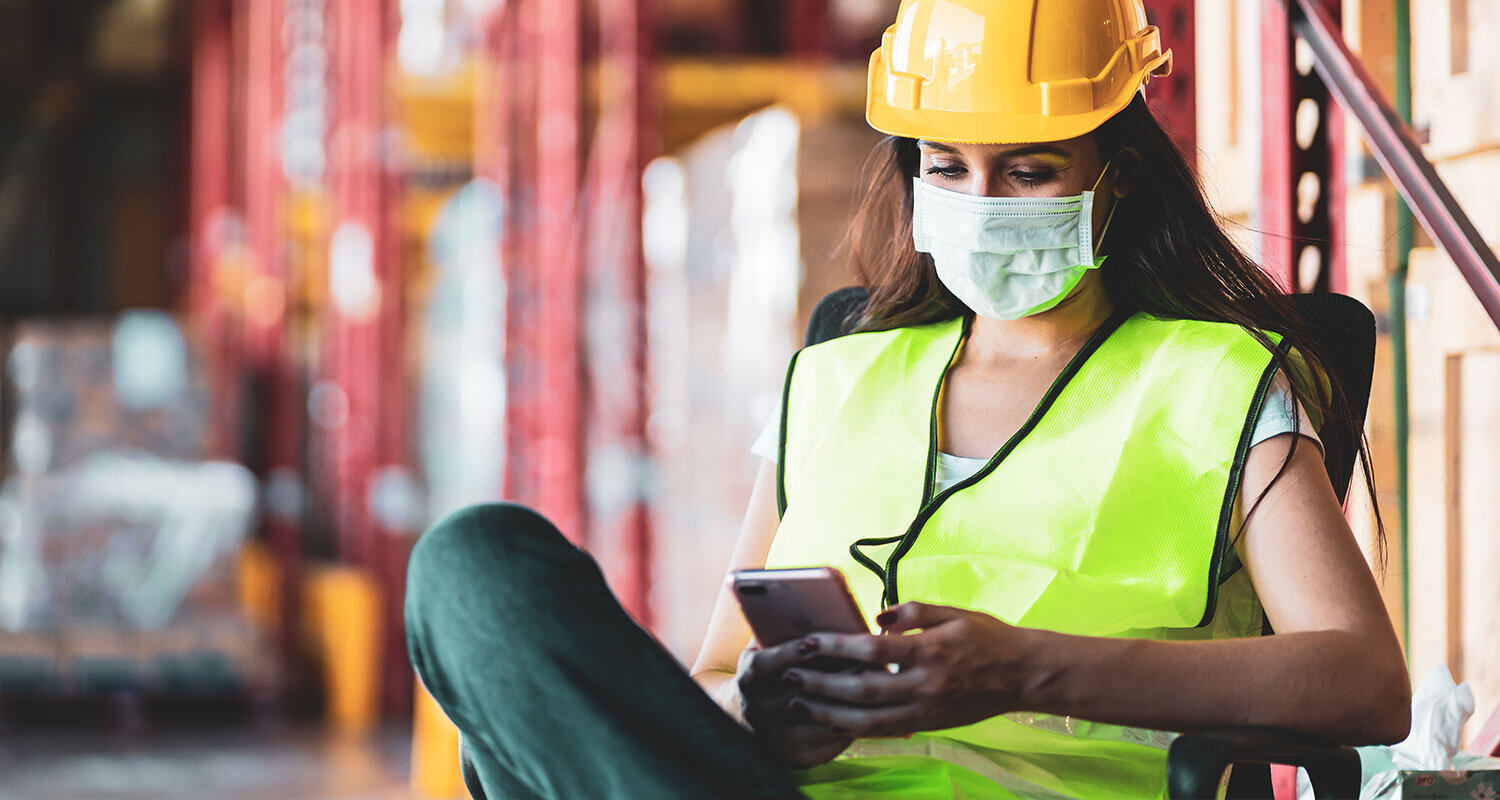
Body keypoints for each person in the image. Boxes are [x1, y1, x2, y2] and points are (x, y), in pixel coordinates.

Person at [403, 1, 1411, 798]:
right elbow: (713, 668)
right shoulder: (839, 372)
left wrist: (1023, 670)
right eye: (947, 167)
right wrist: (761, 707)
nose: (980, 204)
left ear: (1119, 178)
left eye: (1028, 170)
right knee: (473, 564)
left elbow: (1367, 681)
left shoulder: (1220, 380)